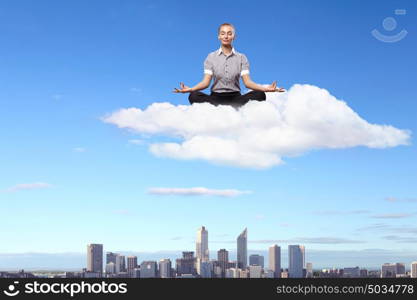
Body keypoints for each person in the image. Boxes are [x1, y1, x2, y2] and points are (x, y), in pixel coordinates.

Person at [173, 23, 285, 108]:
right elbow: (205, 83)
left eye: (229, 33)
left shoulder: (242, 57)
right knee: (194, 96)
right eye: (223, 33)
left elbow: (247, 83)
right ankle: (226, 110)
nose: (226, 36)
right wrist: (190, 89)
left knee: (260, 95)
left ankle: (231, 109)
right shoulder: (211, 57)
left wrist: (266, 89)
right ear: (219, 37)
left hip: (236, 98)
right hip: (215, 98)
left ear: (234, 37)